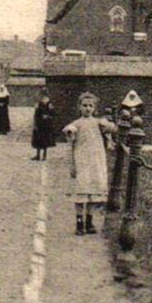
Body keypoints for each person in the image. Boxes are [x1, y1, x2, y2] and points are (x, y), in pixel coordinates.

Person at [63, 92, 117, 235]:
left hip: (96, 161)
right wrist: (72, 165)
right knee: (81, 191)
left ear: (94, 108)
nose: (87, 108)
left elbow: (112, 129)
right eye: (84, 105)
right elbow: (70, 136)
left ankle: (90, 220)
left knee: (93, 191)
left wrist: (108, 125)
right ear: (79, 107)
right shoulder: (77, 124)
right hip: (82, 162)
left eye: (90, 106)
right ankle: (79, 222)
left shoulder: (98, 123)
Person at [31, 90, 56, 160]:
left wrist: (47, 116)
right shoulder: (38, 104)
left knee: (45, 140)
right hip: (39, 124)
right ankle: (38, 155)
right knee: (38, 139)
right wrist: (35, 123)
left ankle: (44, 155)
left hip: (46, 124)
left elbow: (53, 114)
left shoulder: (49, 104)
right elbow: (36, 114)